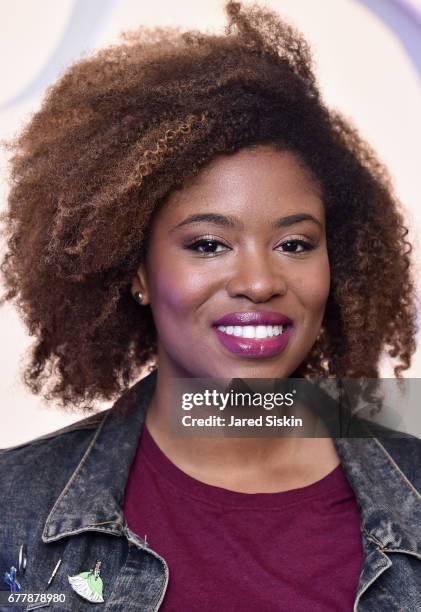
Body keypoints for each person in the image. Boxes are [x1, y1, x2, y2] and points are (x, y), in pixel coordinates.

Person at [0, 1, 420, 610]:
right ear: (137, 270)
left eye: (295, 244)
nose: (258, 281)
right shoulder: (14, 511)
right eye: (208, 244)